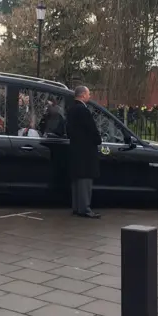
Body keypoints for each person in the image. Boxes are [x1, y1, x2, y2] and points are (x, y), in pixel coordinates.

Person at [66, 85, 102, 219]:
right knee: (85, 180)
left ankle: (76, 207)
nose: (89, 96)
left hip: (75, 149)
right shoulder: (83, 110)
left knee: (77, 181)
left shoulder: (71, 109)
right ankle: (85, 208)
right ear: (82, 95)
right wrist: (98, 139)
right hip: (86, 151)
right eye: (88, 94)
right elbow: (91, 129)